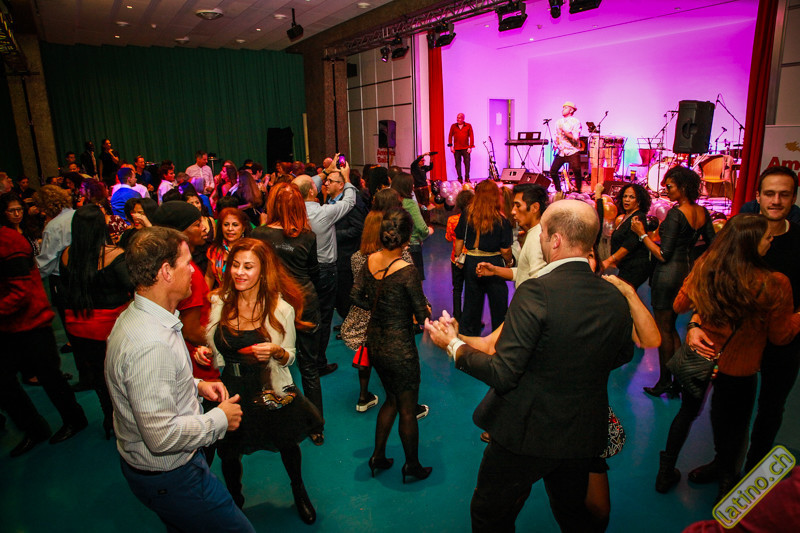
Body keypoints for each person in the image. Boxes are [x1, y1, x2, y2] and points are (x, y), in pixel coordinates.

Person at [426, 199, 634, 532]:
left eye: (542, 235)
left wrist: (453, 345)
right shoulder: (614, 296)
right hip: (582, 431)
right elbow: (622, 355)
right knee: (570, 513)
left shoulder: (536, 292)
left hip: (527, 432)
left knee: (490, 515)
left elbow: (503, 374)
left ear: (556, 241)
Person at [104, 226, 252, 532]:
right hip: (173, 476)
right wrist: (220, 419)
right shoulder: (151, 345)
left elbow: (147, 385)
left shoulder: (142, 317)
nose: (194, 272)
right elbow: (161, 437)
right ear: (166, 271)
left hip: (164, 471)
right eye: (187, 263)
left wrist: (196, 385)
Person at [654, 214, 800, 501]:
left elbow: (680, 304)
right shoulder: (775, 283)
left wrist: (697, 321)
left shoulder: (707, 267)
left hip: (701, 355)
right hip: (740, 367)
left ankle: (665, 472)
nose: (771, 240)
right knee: (733, 428)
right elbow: (780, 336)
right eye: (767, 237)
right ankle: (726, 485)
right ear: (750, 244)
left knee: (686, 413)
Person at [688, 166, 800, 483]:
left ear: (793, 198)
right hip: (736, 342)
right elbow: (708, 282)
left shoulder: (799, 239)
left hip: (783, 340)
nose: (776, 201)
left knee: (771, 409)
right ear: (757, 196)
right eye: (770, 193)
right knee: (725, 409)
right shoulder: (737, 232)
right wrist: (695, 323)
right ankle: (724, 465)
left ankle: (752, 474)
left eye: (784, 194)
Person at [198, 238, 322, 523]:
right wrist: (206, 352)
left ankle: (299, 490)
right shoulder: (220, 302)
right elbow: (218, 348)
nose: (239, 272)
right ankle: (235, 504)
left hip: (269, 388)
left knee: (287, 443)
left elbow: (290, 356)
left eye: (248, 266)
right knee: (229, 453)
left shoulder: (280, 309)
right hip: (232, 390)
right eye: (235, 265)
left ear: (263, 271)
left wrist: (277, 351)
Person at [0, 182, 88, 457]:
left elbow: (23, 288)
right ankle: (38, 427)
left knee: (50, 375)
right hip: (19, 321)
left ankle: (72, 419)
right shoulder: (21, 235)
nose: (18, 213)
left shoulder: (10, 241)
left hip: (32, 320)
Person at [351, 208, 432, 483]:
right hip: (400, 348)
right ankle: (412, 465)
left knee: (390, 400)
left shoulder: (369, 261)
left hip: (376, 344)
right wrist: (419, 313)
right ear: (406, 239)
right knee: (407, 408)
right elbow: (422, 315)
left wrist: (378, 310)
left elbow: (355, 295)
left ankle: (378, 456)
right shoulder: (407, 271)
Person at [252, 183, 326, 445]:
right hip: (305, 304)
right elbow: (314, 273)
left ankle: (274, 422)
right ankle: (316, 426)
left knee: (270, 365)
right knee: (309, 368)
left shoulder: (259, 234)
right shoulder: (308, 236)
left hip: (273, 306)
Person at [631, 166, 715, 397]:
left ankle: (665, 382)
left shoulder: (676, 214)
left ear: (683, 187)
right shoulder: (702, 212)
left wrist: (641, 234)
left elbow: (663, 254)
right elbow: (714, 244)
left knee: (664, 330)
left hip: (667, 275)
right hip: (686, 273)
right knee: (671, 327)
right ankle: (677, 379)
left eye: (670, 186)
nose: (666, 190)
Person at [59, 204, 133, 439]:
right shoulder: (114, 255)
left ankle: (109, 418)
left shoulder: (67, 254)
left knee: (99, 378)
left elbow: (64, 290)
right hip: (109, 327)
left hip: (78, 326)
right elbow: (133, 287)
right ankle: (126, 422)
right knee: (121, 378)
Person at [294, 160, 357, 378]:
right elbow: (349, 201)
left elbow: (301, 186)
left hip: (301, 271)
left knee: (304, 314)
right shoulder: (322, 212)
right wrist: (346, 179)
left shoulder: (292, 211)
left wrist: (326, 172)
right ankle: (318, 363)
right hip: (325, 271)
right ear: (312, 191)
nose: (323, 184)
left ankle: (304, 356)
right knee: (323, 317)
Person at [453, 179, 513, 336]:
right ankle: (498, 338)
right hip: (494, 264)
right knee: (499, 305)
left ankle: (467, 338)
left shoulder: (468, 214)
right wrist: (509, 262)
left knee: (471, 304)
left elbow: (459, 238)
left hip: (471, 262)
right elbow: (505, 249)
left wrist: (458, 257)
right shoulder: (502, 220)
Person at [475, 183, 548, 289]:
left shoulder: (537, 238)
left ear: (535, 207)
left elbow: (537, 281)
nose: (513, 211)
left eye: (518, 206)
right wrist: (495, 270)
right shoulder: (534, 233)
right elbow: (524, 273)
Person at [600, 183, 652, 289]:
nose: (627, 200)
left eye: (631, 197)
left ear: (639, 201)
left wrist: (608, 261)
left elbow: (629, 245)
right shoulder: (627, 216)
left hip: (635, 268)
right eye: (625, 196)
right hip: (626, 266)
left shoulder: (638, 218)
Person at [392, 172, 433, 280]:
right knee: (415, 281)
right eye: (412, 184)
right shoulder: (410, 204)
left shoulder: (391, 202)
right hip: (412, 246)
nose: (413, 186)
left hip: (394, 247)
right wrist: (428, 231)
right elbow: (421, 227)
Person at [445, 190, 474, 321]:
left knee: (457, 288)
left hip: (456, 258)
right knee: (471, 289)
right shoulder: (474, 219)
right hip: (471, 258)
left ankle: (457, 316)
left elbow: (448, 238)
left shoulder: (452, 220)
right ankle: (470, 317)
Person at [205, 207, 250, 289]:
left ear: (243, 228)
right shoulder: (214, 250)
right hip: (221, 294)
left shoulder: (251, 249)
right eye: (226, 225)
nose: (230, 229)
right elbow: (209, 276)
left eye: (235, 225)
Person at [550, 101, 583, 193]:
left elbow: (576, 138)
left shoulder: (576, 122)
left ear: (571, 110)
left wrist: (566, 133)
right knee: (553, 171)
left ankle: (578, 190)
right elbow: (557, 135)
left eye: (565, 108)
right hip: (562, 151)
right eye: (563, 108)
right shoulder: (558, 122)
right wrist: (556, 144)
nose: (563, 109)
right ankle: (558, 190)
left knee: (577, 170)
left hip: (572, 150)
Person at [448, 113, 474, 183]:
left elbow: (471, 136)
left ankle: (467, 177)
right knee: (457, 164)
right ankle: (459, 178)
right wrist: (451, 146)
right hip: (456, 148)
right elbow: (450, 136)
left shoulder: (468, 125)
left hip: (466, 148)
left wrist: (470, 147)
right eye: (457, 117)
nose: (458, 119)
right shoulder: (453, 126)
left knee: (467, 163)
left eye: (459, 118)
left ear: (463, 119)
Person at [411, 152, 435, 222]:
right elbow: (414, 162)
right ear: (418, 161)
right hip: (418, 189)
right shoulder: (414, 167)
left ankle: (426, 221)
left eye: (424, 160)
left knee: (426, 205)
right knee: (420, 205)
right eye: (422, 160)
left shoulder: (424, 168)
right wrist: (423, 155)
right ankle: (421, 220)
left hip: (424, 188)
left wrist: (431, 159)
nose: (423, 162)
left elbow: (430, 167)